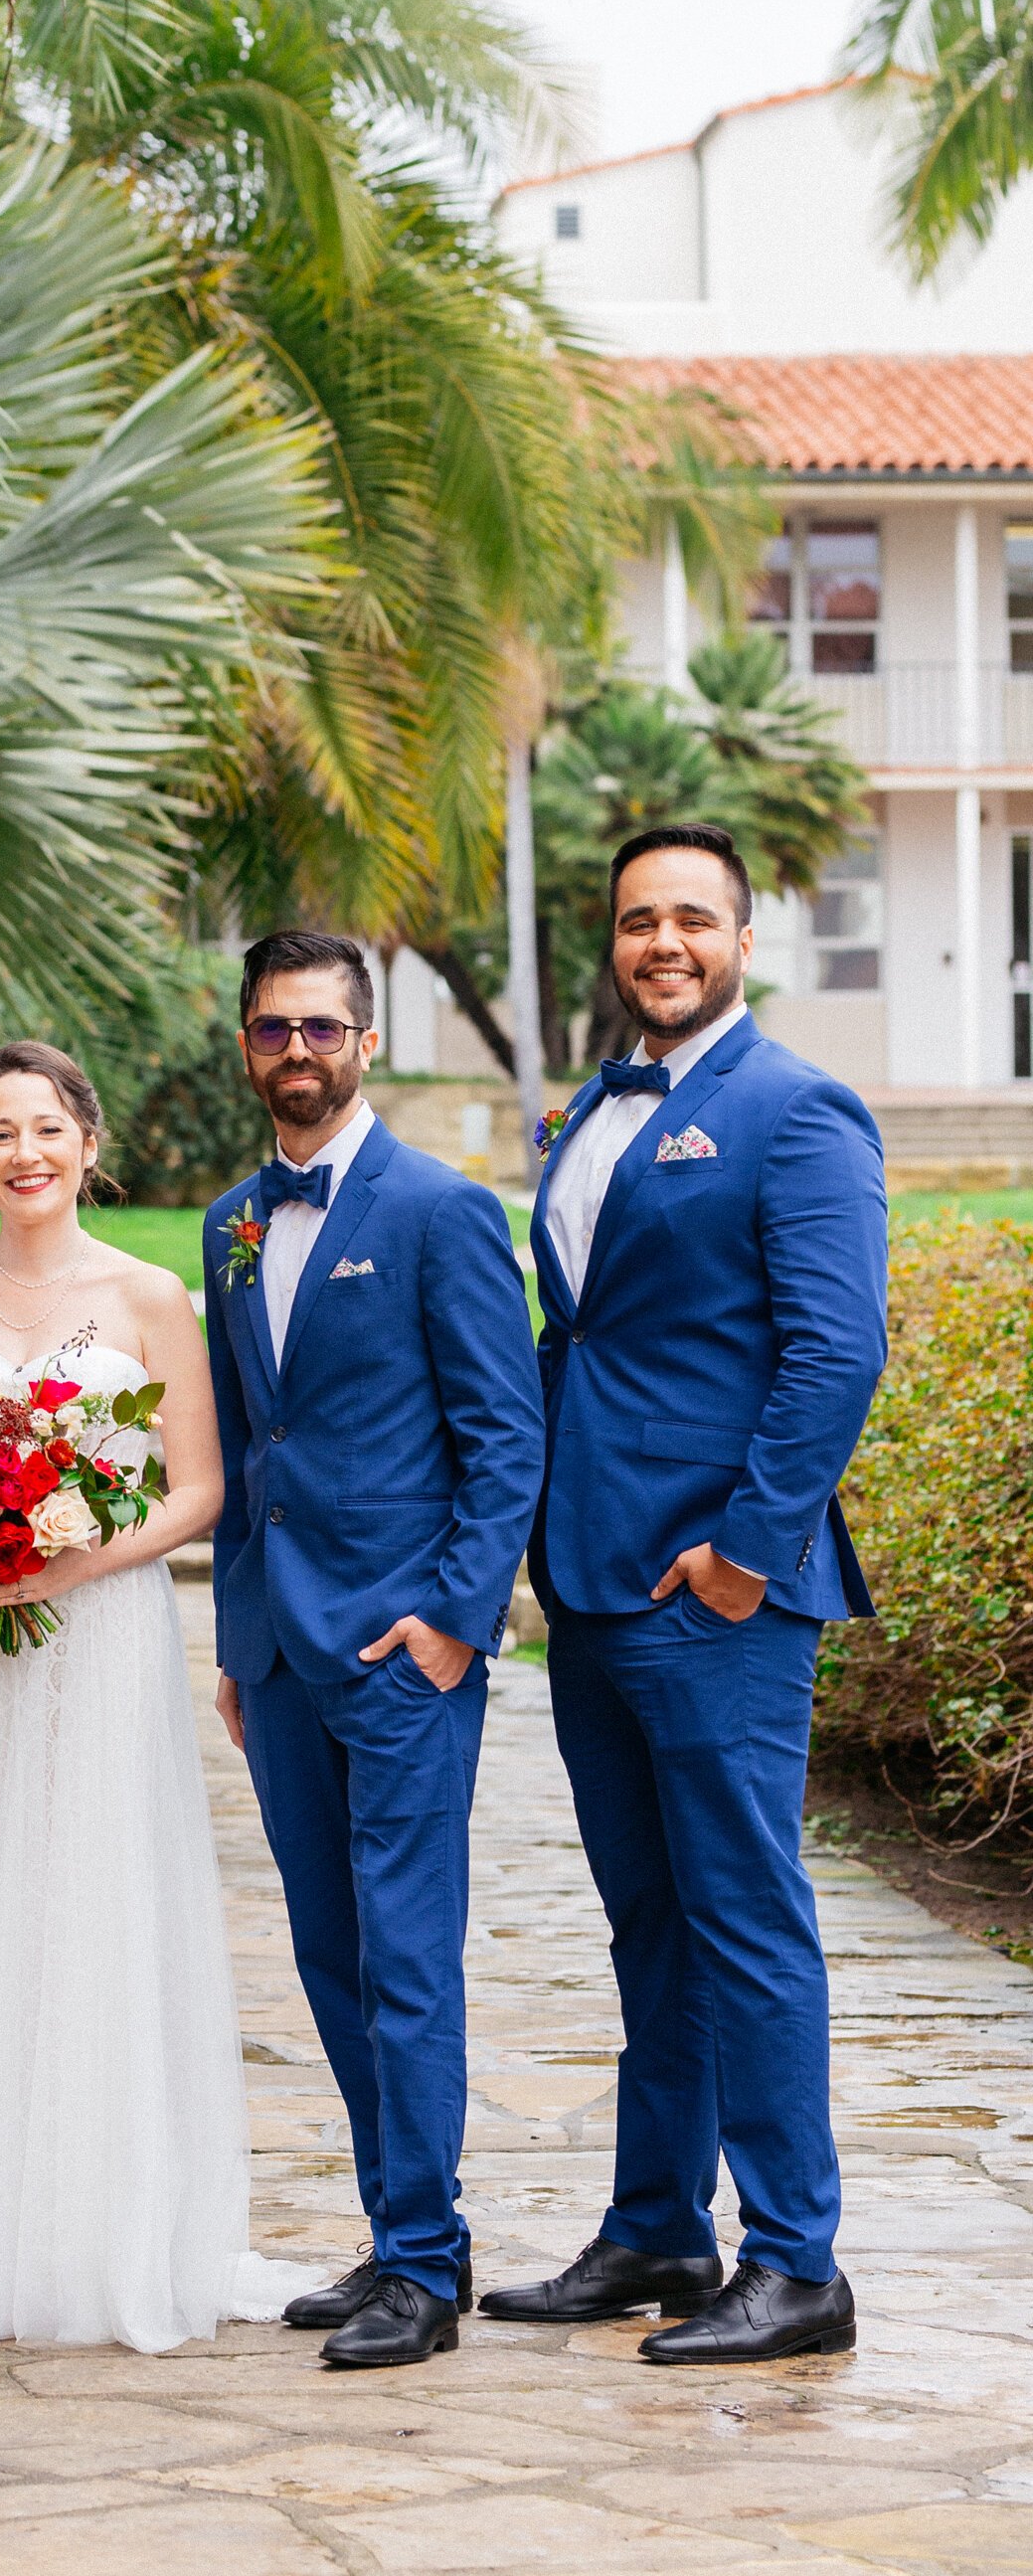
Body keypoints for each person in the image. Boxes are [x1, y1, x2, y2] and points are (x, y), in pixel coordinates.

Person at [0, 1040, 318, 2352]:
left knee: (86, 1911)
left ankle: (95, 2235)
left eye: (47, 1128)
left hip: (96, 1637)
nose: (24, 1154)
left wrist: (61, 1555)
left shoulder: (153, 1294)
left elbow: (201, 1487)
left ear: (88, 1145)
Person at [479, 824, 887, 2366]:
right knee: (649, 1922)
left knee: (746, 1917)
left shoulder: (797, 1110)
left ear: (741, 938)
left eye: (694, 919)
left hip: (713, 1588)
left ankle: (799, 2261)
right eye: (641, 918)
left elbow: (835, 1350)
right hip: (591, 1580)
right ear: (613, 939)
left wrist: (743, 1551)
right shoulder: (591, 1109)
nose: (666, 941)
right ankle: (659, 2226)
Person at [206, 930, 546, 2370]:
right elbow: (243, 1441)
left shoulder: (441, 1211)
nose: (299, 1050)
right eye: (275, 1028)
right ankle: (401, 2231)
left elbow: (505, 1431)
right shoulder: (228, 1219)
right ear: (244, 1045)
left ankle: (423, 2259)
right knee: (333, 1953)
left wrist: (459, 1624)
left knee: (407, 1952)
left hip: (406, 1649)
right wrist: (235, 1637)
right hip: (279, 1656)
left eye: (323, 1028)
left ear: (368, 1042)